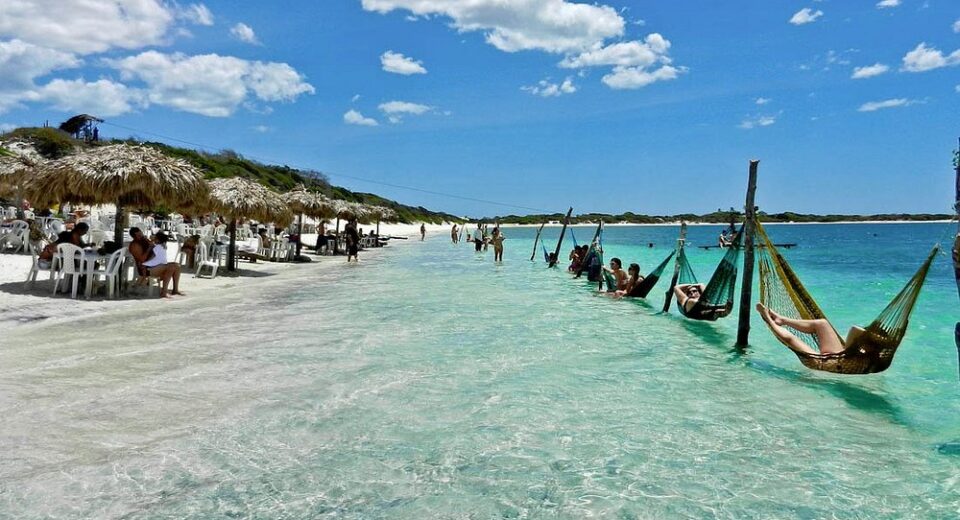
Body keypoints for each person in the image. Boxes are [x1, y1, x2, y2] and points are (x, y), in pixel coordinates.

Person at [756, 303, 860, 356]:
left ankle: (768, 318)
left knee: (790, 339)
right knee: (822, 323)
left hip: (829, 362)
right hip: (838, 356)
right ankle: (782, 319)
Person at [141, 232, 183, 297]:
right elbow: (150, 259)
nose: (153, 237)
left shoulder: (160, 246)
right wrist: (151, 246)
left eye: (155, 237)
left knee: (177, 266)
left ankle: (175, 290)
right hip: (149, 268)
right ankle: (164, 292)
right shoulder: (156, 247)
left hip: (157, 266)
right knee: (171, 267)